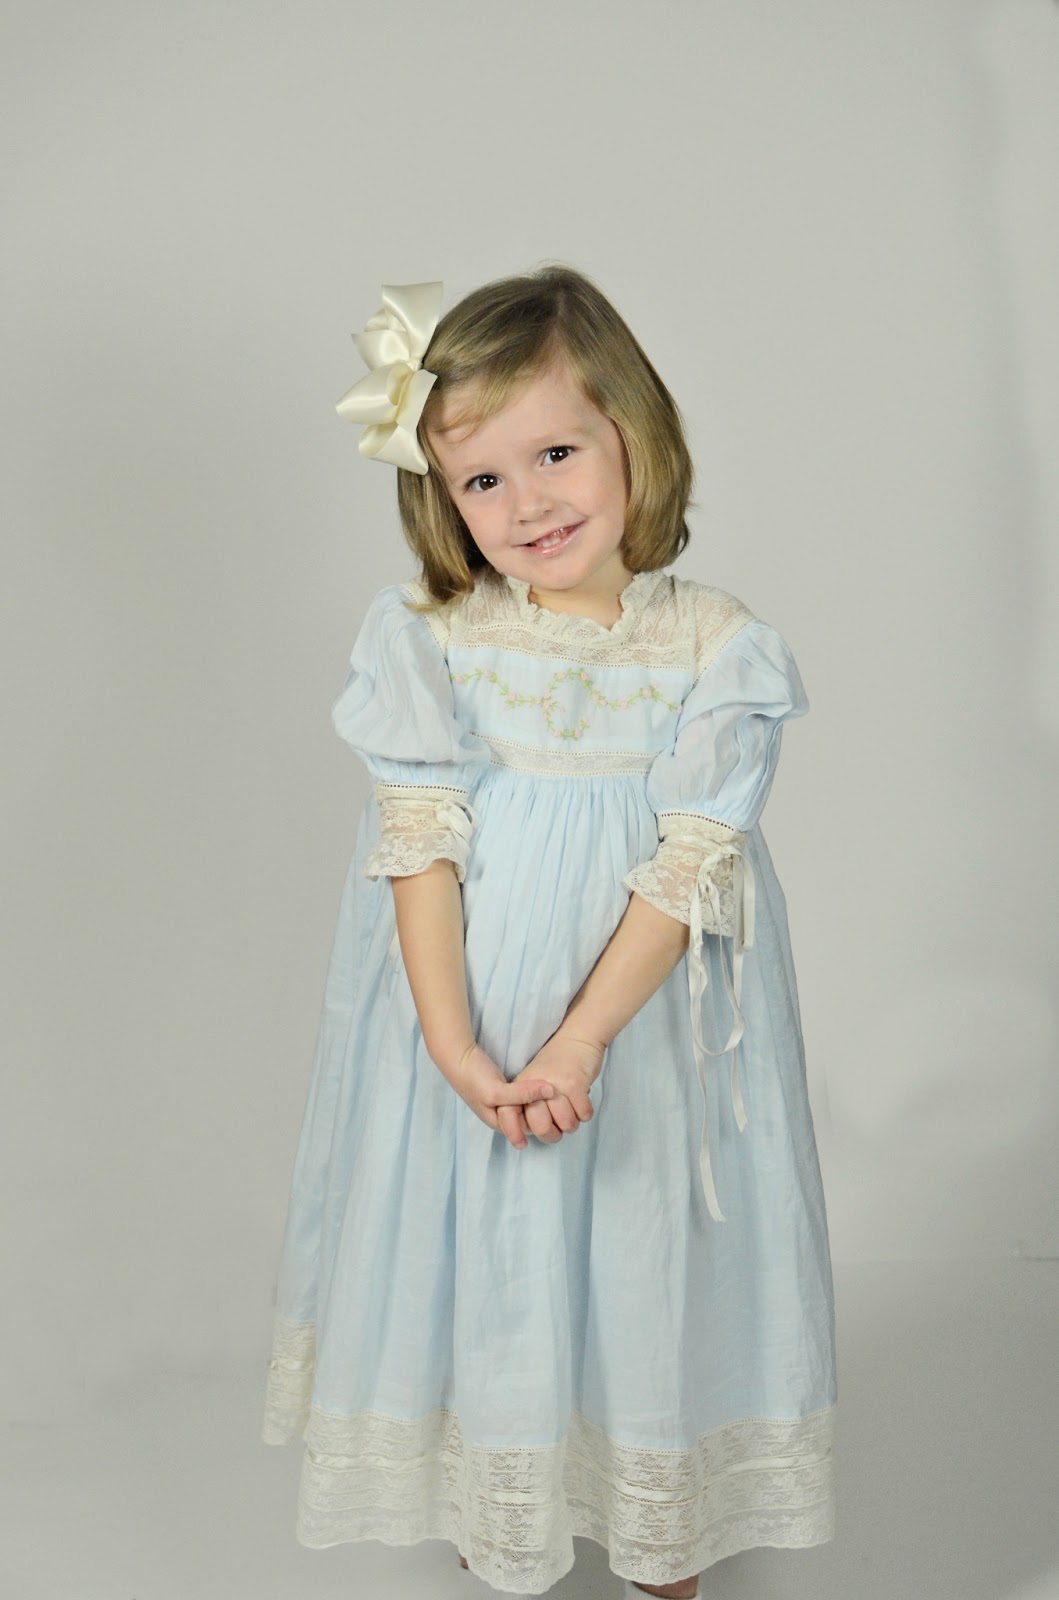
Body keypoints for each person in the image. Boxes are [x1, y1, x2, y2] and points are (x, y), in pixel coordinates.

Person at [261, 267, 837, 1599]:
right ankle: (505, 1511)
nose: (526, 505)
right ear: (440, 497)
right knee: (493, 1254)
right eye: (482, 479)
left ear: (634, 431)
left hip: (642, 1032)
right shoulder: (433, 640)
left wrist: (580, 1043)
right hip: (471, 1026)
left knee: (641, 1251)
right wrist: (456, 1049)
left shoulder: (713, 648)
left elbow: (689, 868)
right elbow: (419, 846)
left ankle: (659, 1540)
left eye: (557, 454)